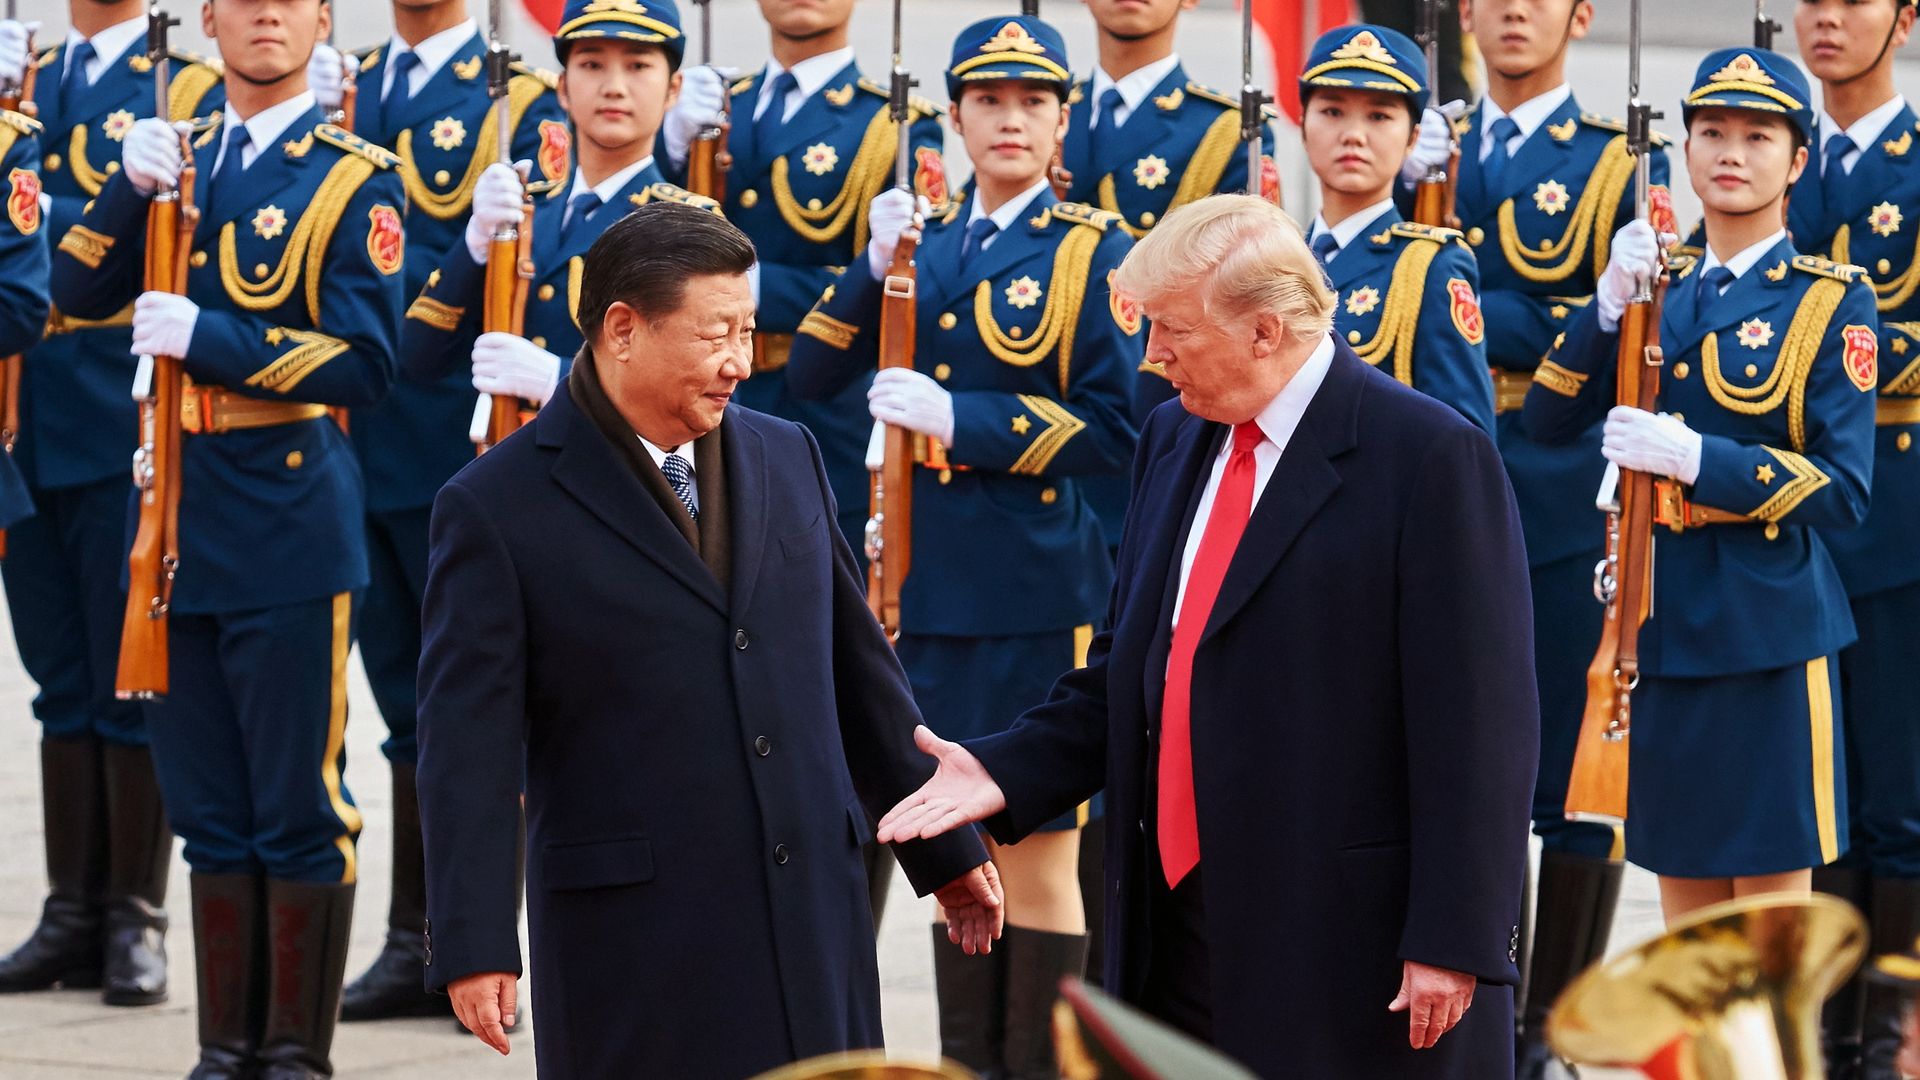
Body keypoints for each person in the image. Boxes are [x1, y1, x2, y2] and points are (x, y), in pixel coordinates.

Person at [874, 193, 1537, 1078]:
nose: (1151, 354)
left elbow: (1482, 726)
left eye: (1173, 330)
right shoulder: (1175, 436)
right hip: (1175, 923)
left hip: (1347, 940)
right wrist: (1002, 770)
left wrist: (1455, 937)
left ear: (1265, 331)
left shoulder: (1426, 456)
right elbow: (1132, 671)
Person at [414, 201, 1001, 1078]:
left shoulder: (786, 453)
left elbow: (859, 676)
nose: (740, 361)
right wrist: (474, 939)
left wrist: (942, 846)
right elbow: (466, 744)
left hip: (809, 911)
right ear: (623, 329)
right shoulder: (495, 506)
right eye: (715, 334)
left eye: (748, 330)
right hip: (638, 933)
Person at [47, 0, 406, 1071]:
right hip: (170, 515)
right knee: (208, 807)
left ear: (321, 21)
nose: (266, 15)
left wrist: (211, 336)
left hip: (285, 517)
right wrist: (125, 186)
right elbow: (72, 287)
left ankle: (292, 1058)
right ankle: (223, 1053)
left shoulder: (352, 178)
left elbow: (367, 362)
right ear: (208, 19)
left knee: (297, 807)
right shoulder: (176, 157)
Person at [788, 15, 1140, 1077]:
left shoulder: (1092, 249)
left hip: (1032, 585)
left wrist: (965, 422)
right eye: (988, 100)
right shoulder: (925, 238)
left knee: (1036, 855)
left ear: (1064, 120)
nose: (1010, 120)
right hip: (922, 585)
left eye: (1033, 101)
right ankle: (968, 1062)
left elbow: (1123, 428)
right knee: (953, 846)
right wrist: (869, 265)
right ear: (954, 116)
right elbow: (811, 373)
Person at [1522, 47, 1876, 925]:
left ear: (1797, 160)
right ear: (1684, 150)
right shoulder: (1659, 289)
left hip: (1766, 631)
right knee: (1689, 929)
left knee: (1767, 931)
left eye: (1759, 137)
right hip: (1660, 626)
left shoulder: (1831, 301)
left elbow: (1845, 490)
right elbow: (1547, 419)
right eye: (1712, 132)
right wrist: (1606, 306)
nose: (1731, 153)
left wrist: (1698, 458)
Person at [1404, 0, 1672, 1065]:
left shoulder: (1618, 161)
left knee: (1567, 773)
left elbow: (1637, 322)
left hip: (1559, 492)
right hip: (1431, 480)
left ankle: (1548, 1034)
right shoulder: (1422, 147)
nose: (1515, 9)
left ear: (1581, 15)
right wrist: (1406, 197)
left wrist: (1533, 315)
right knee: (1455, 764)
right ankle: (1471, 1021)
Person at [296, 0, 568, 1025]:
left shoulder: (521, 98)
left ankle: (480, 943)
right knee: (402, 712)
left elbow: (537, 265)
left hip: (454, 444)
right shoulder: (342, 84)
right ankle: (420, 937)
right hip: (346, 443)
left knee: (475, 708)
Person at [659, 0, 948, 933]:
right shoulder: (721, 109)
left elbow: (911, 274)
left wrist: (758, 287)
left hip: (825, 415)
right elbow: (645, 262)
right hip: (699, 412)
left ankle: (839, 925)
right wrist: (669, 154)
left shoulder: (898, 123)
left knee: (838, 676)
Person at [0, 1, 222, 1010]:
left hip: (118, 418)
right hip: (26, 419)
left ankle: (135, 913)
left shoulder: (187, 83)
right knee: (58, 677)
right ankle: (71, 912)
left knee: (127, 672)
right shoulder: (26, 78)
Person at [1787, 1, 1920, 1074]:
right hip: (1787, 514)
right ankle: (1822, 1031)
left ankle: (1884, 1043)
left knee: (1896, 797)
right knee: (1811, 792)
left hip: (1900, 507)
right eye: (1812, 0)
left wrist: (1814, 351)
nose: (1827, 18)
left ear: (1905, 21)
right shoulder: (1774, 152)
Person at [401, 0, 713, 410]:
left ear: (673, 89)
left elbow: (702, 387)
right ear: (563, 88)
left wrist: (562, 379)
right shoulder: (528, 208)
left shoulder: (689, 227)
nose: (614, 87)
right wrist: (474, 243)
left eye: (638, 66)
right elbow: (421, 357)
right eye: (592, 65)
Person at [1299, 24, 1494, 433]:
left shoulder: (1431, 267)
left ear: (1413, 138)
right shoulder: (1277, 260)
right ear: (1302, 125)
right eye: (1332, 112)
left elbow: (1464, 441)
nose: (1354, 135)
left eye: (1379, 116)